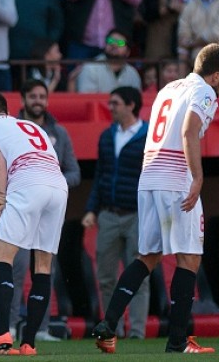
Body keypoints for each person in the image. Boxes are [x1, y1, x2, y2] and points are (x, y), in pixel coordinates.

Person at [92, 43, 219, 354]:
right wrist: (198, 178)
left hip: (149, 181)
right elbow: (189, 131)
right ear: (213, 75)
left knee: (147, 256)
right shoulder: (205, 92)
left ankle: (109, 322)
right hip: (175, 182)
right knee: (188, 258)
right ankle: (177, 342)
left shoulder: (169, 88)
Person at [0, 91, 68, 356]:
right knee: (43, 265)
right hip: (58, 187)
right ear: (7, 111)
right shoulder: (30, 125)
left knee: (0, 258)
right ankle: (29, 343)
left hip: (27, 182)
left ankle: (2, 334)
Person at [9, 78, 81, 340]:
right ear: (24, 99)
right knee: (15, 270)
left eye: (42, 96)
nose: (38, 101)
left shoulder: (59, 133)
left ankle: (41, 327)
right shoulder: (12, 129)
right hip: (18, 208)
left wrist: (52, 181)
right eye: (33, 96)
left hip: (47, 213)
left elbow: (74, 171)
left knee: (44, 270)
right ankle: (10, 327)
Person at [81, 86, 150, 339]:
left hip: (137, 215)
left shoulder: (148, 135)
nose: (110, 107)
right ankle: (113, 328)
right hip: (109, 214)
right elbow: (101, 176)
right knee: (107, 276)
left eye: (115, 103)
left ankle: (138, 332)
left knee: (139, 276)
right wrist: (92, 209)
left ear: (131, 105)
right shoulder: (107, 136)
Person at [76, 29, 142, 93]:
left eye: (120, 43)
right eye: (110, 41)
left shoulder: (133, 74)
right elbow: (87, 100)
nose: (114, 45)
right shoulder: (90, 68)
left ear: (128, 52)